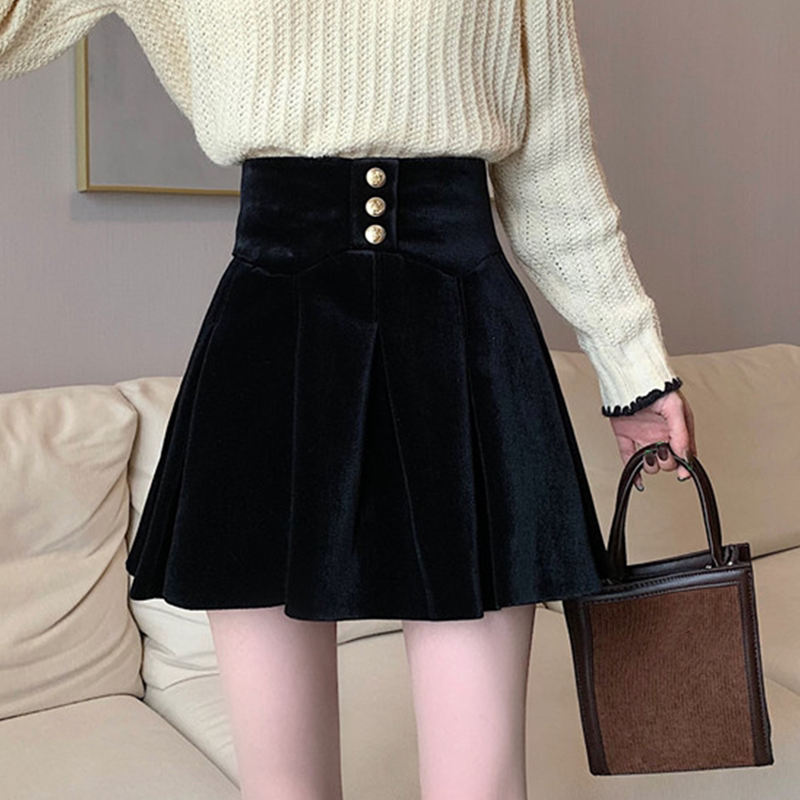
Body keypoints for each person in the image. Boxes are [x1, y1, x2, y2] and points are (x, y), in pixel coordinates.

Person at [1, 2, 696, 799]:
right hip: (273, 336)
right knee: (284, 788)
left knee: (479, 788)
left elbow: (552, 167)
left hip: (463, 332)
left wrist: (634, 370)